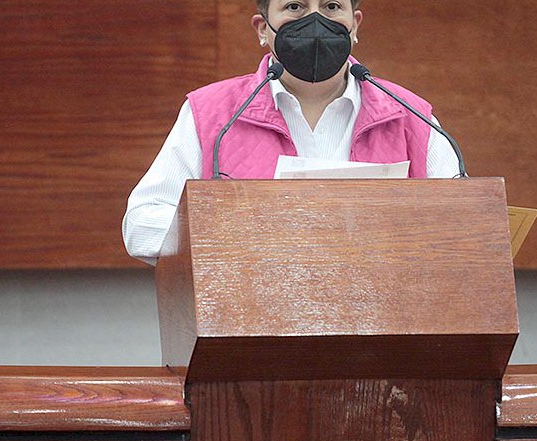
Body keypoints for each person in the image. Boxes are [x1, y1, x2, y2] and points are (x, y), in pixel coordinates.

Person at [123, 0, 460, 265]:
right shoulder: (213, 113)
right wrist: (248, 231)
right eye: (295, 7)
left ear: (355, 25)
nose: (315, 21)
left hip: (385, 320)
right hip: (251, 321)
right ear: (262, 29)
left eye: (331, 6)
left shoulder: (410, 114)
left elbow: (463, 224)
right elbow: (141, 224)